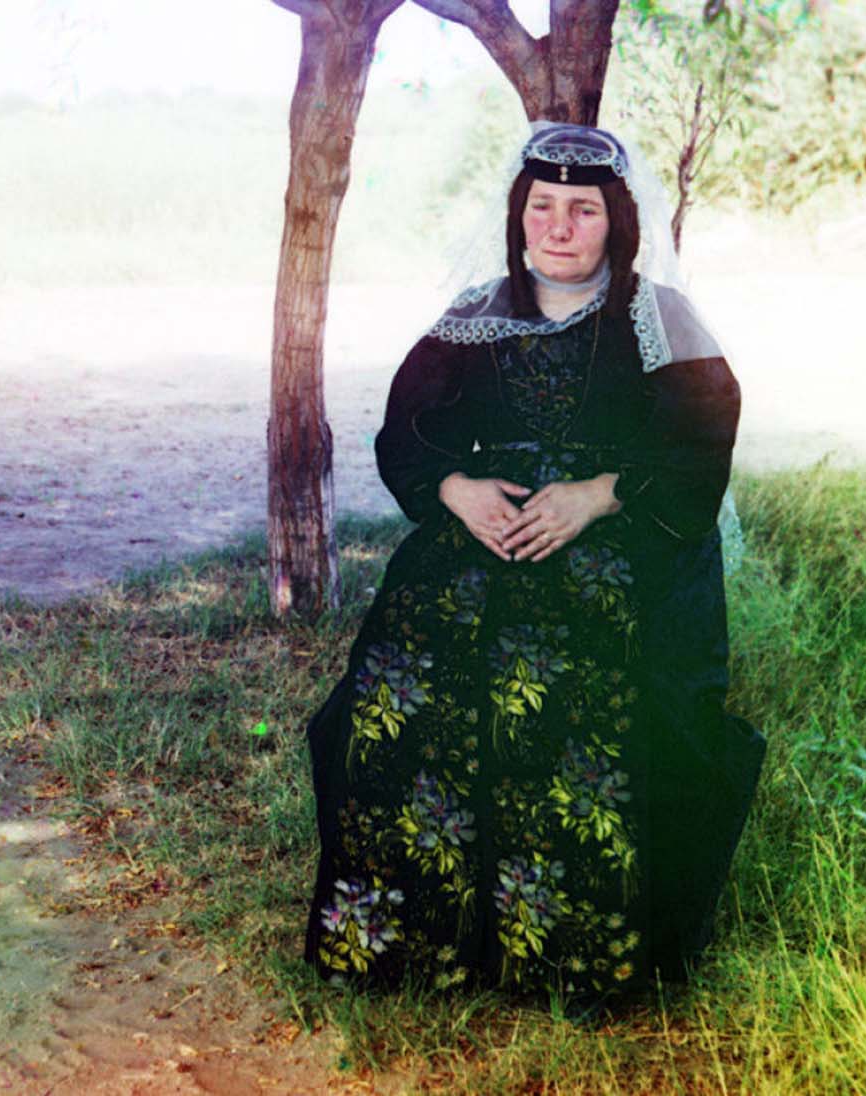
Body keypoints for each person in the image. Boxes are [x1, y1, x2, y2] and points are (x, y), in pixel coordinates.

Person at [303, 122, 765, 1001]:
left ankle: (563, 957)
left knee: (555, 682)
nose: (559, 227)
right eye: (542, 207)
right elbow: (405, 438)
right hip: (487, 532)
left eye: (582, 210)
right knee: (394, 682)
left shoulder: (661, 322)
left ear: (615, 224)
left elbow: (700, 452)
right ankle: (411, 943)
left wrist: (595, 495)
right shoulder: (475, 319)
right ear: (519, 217)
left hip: (626, 545)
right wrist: (454, 490)